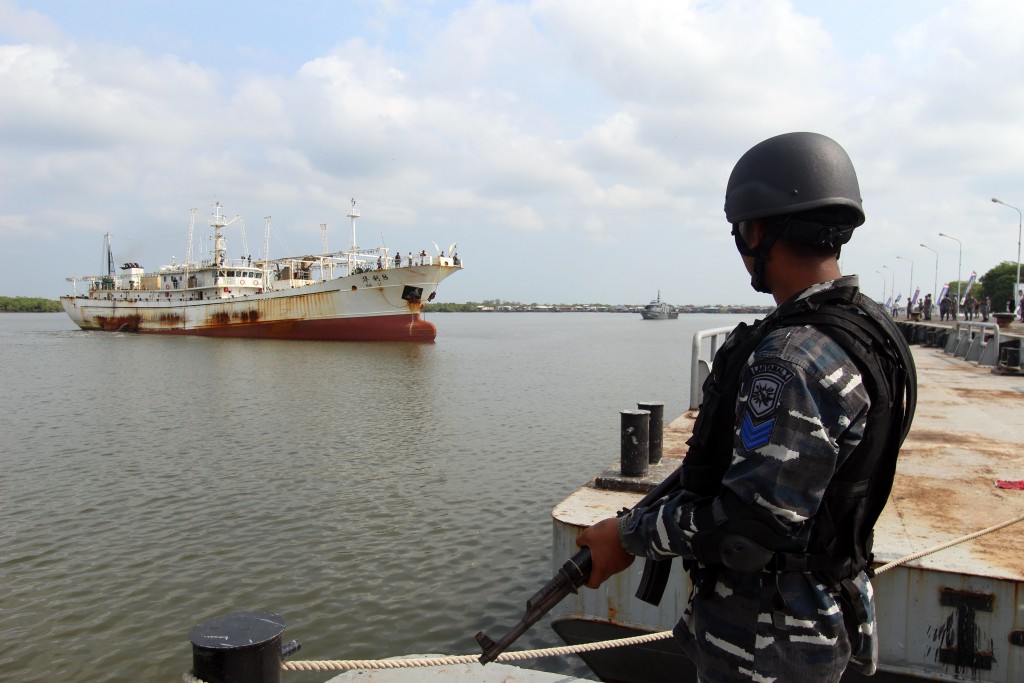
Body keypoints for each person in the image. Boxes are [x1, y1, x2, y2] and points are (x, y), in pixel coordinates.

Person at [576, 132, 916, 683]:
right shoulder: (870, 330)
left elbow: (747, 527)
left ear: (759, 230)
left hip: (768, 643)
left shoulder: (790, 359)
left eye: (740, 231)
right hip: (818, 617)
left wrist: (627, 536)